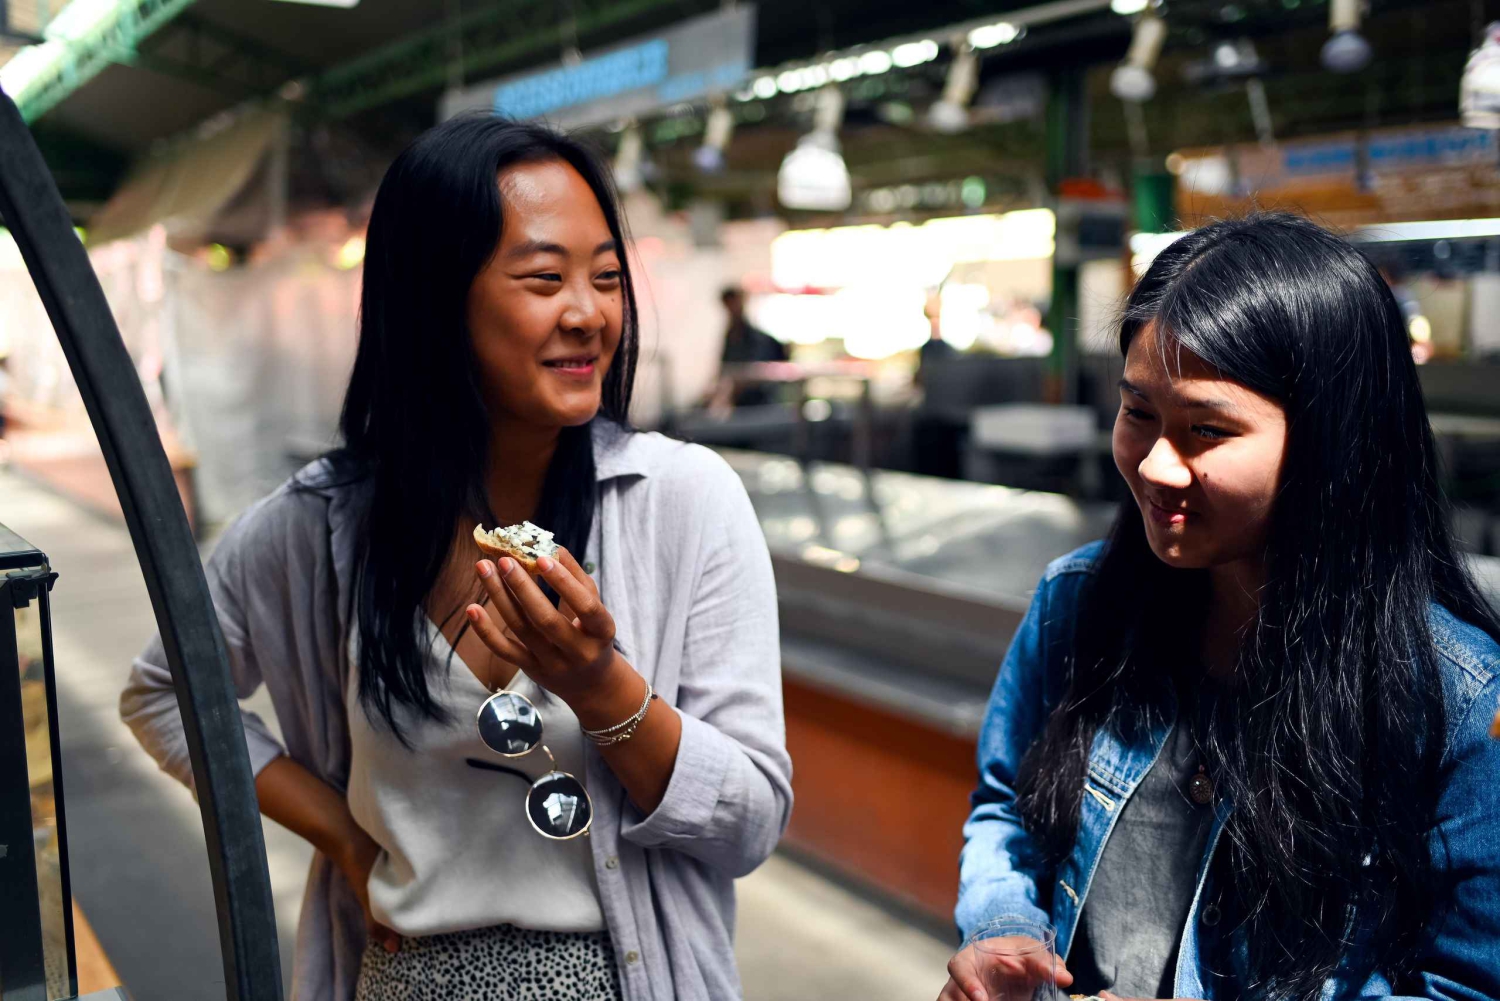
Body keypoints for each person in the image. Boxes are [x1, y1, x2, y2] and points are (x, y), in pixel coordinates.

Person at [121, 117, 791, 1001]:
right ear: (434, 299)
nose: (589, 313)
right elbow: (165, 692)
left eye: (607, 279)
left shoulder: (683, 501)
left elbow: (749, 819)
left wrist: (598, 685)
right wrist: (348, 839)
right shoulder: (318, 528)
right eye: (545, 278)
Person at [941, 214, 1500, 1001]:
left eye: (1207, 429)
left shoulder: (1456, 700)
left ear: (1331, 440)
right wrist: (1002, 928)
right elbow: (1008, 807)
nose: (1158, 464)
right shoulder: (1078, 604)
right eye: (1139, 412)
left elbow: (1466, 988)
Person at [708, 285, 788, 411]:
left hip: (761, 401)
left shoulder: (756, 338)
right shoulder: (731, 335)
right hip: (742, 404)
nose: (732, 308)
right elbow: (726, 367)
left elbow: (757, 371)